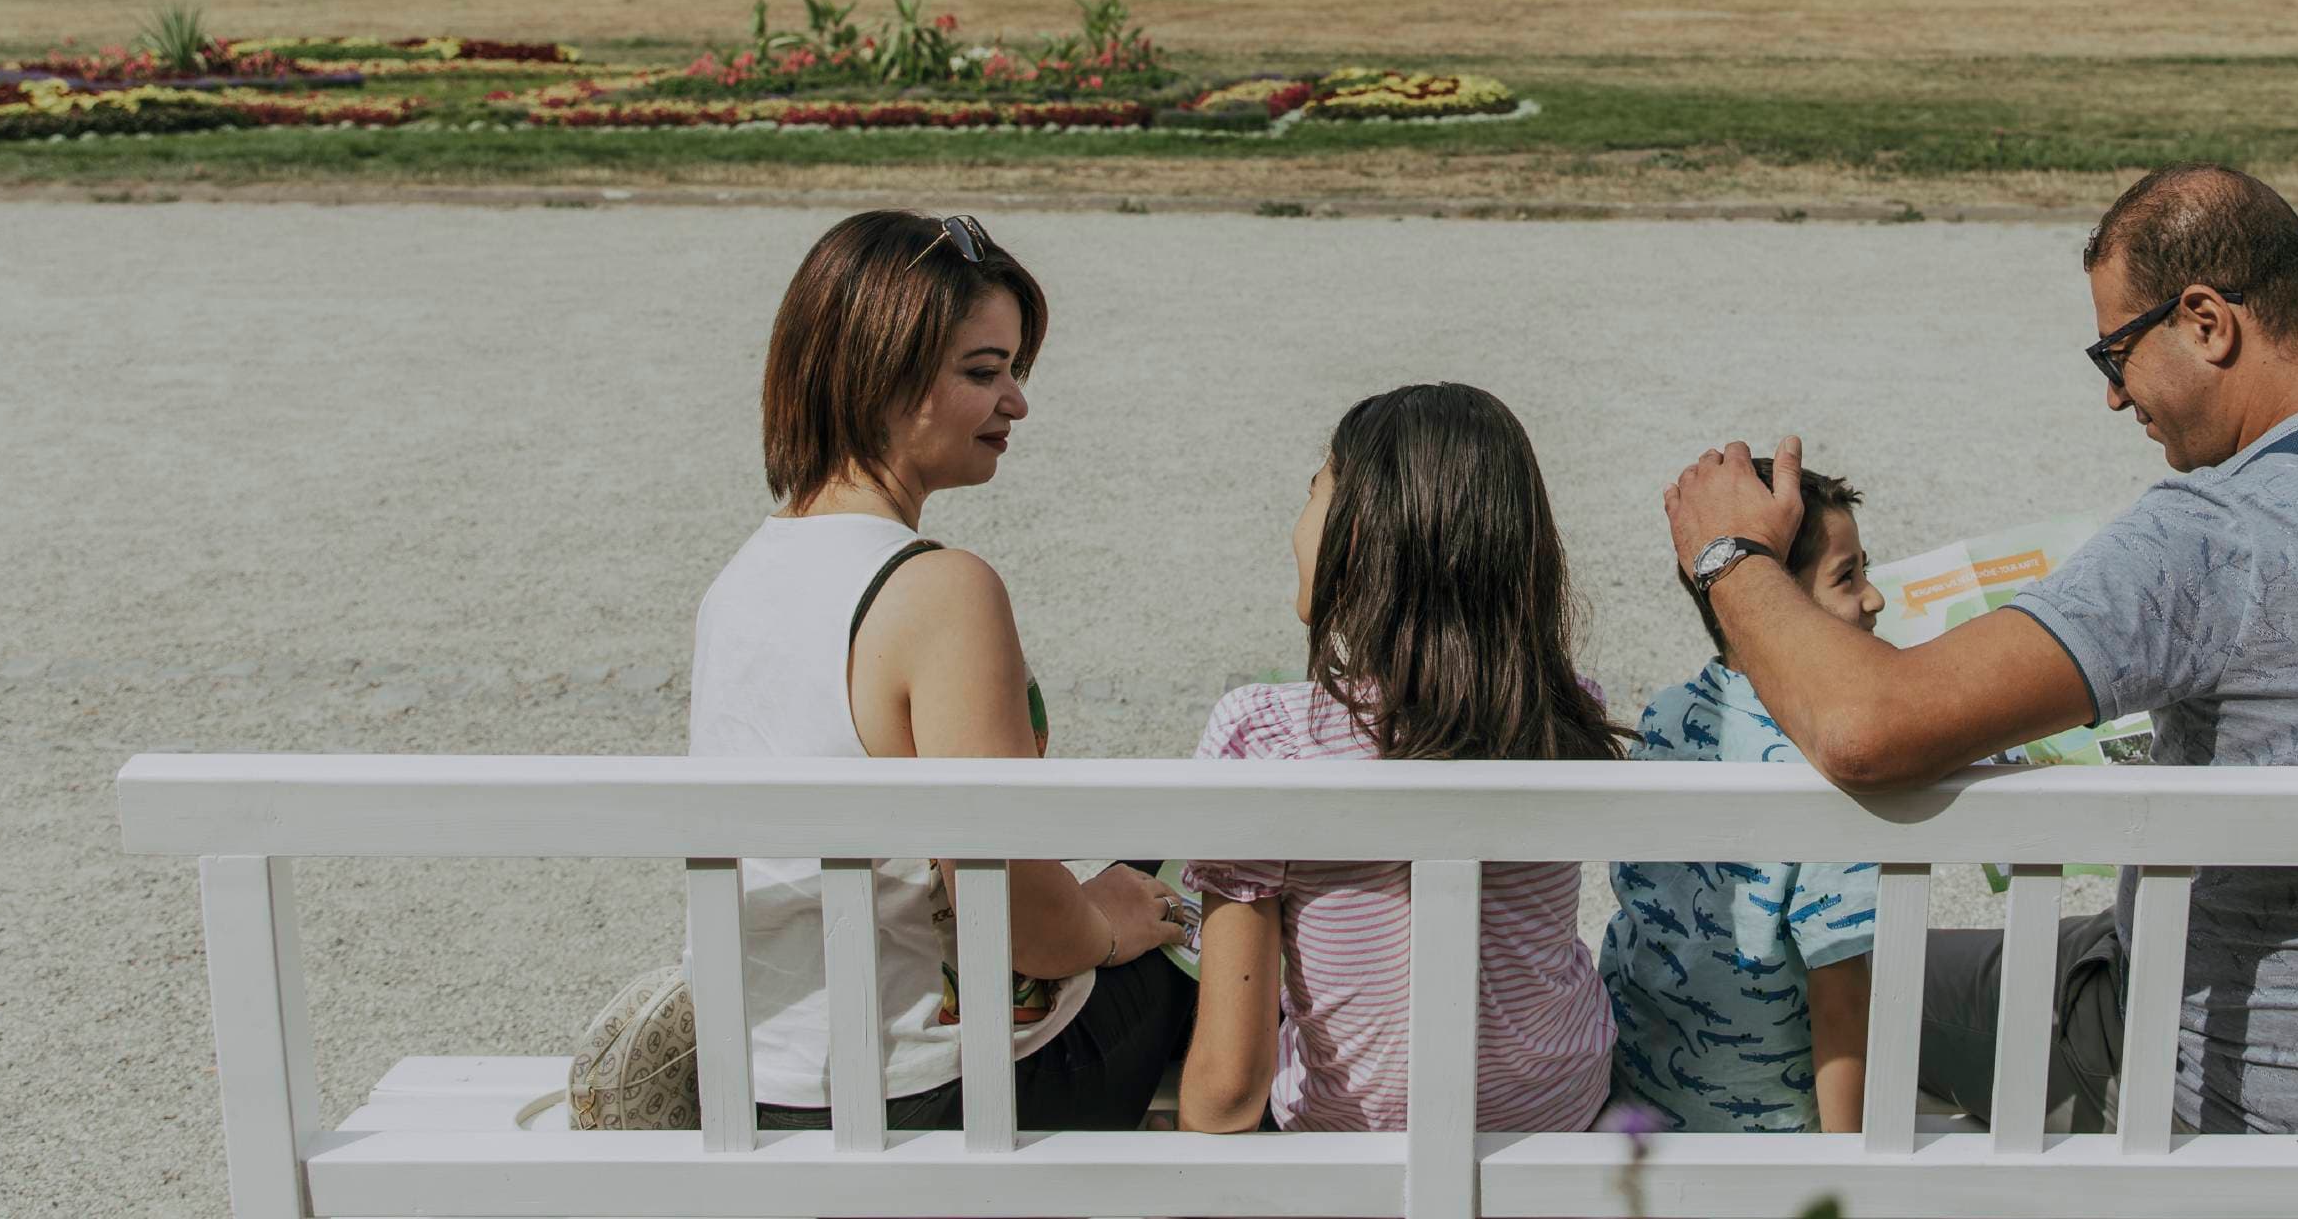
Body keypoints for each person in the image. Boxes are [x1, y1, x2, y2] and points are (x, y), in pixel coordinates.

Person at [1658, 164, 2298, 1137]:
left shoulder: (2211, 536)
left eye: (2113, 352)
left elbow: (1867, 726)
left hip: (2229, 1090)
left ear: (2205, 321)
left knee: (1830, 975)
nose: (2115, 398)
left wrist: (1727, 554)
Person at [687, 210, 1196, 1132]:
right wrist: (1109, 918)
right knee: (1212, 887)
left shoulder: (740, 580)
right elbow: (1024, 924)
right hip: (937, 1094)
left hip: (767, 1078)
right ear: (875, 374)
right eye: (982, 372)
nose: (1017, 403)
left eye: (1014, 371)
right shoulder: (940, 592)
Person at [1176, 383, 1622, 1135]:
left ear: (1359, 536)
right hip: (1558, 1112)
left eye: (1312, 494)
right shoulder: (1561, 708)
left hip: (1360, 1138)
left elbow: (1229, 1085)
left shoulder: (1266, 736)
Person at [1602, 457, 1884, 1131]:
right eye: (1849, 577)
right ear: (1769, 603)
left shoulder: (1667, 715)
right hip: (1765, 1126)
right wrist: (1849, 1175)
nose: (1875, 598)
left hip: (1635, 1091)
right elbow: (1841, 996)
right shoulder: (1835, 771)